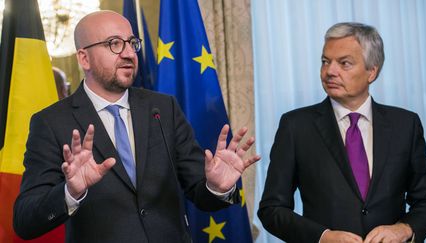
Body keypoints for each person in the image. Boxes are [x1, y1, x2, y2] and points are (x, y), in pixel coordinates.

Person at [13, 10, 260, 243]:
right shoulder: (51, 122)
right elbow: (25, 221)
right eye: (114, 43)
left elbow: (199, 191)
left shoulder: (164, 109)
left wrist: (217, 188)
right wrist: (70, 192)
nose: (129, 53)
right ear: (84, 58)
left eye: (132, 42)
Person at [258, 22, 426, 243]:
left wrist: (405, 229)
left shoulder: (405, 124)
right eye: (325, 61)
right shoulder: (295, 126)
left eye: (344, 63)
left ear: (372, 71)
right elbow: (272, 209)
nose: (330, 71)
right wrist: (322, 237)